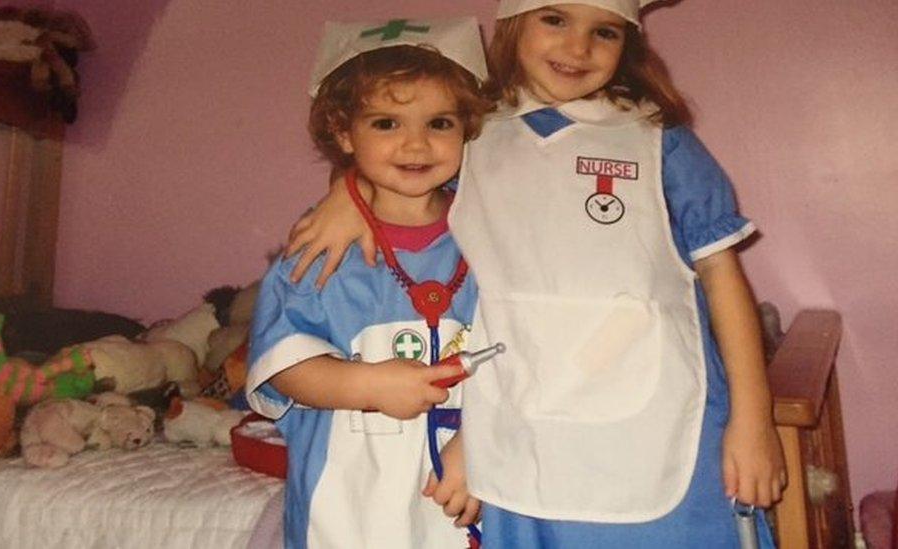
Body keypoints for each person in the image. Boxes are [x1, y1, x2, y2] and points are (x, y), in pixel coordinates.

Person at [282, 1, 787, 547]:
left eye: (605, 31)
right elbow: (403, 174)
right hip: (520, 427)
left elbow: (721, 278)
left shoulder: (658, 141)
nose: (577, 47)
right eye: (555, 19)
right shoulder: (472, 136)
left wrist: (753, 420)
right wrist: (348, 193)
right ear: (514, 24)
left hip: (663, 415)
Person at [246, 17, 494, 549]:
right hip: (347, 504)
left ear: (468, 130)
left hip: (460, 490)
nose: (416, 144)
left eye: (440, 123)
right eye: (386, 124)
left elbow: (522, 361)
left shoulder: (490, 239)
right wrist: (370, 386)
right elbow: (284, 365)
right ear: (343, 133)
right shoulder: (321, 250)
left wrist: (485, 445)